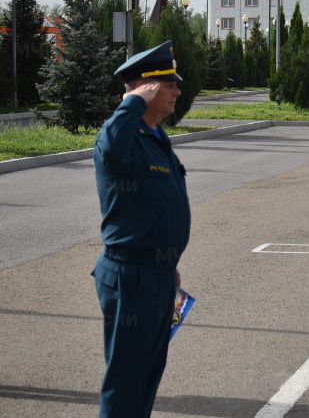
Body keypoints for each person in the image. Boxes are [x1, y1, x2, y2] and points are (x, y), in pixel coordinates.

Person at [92, 40, 191, 417]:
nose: (178, 91)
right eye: (169, 85)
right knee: (126, 380)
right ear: (147, 87)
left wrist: (168, 263)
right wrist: (130, 101)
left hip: (157, 273)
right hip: (131, 274)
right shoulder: (120, 135)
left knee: (146, 377)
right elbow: (113, 152)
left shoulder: (154, 136)